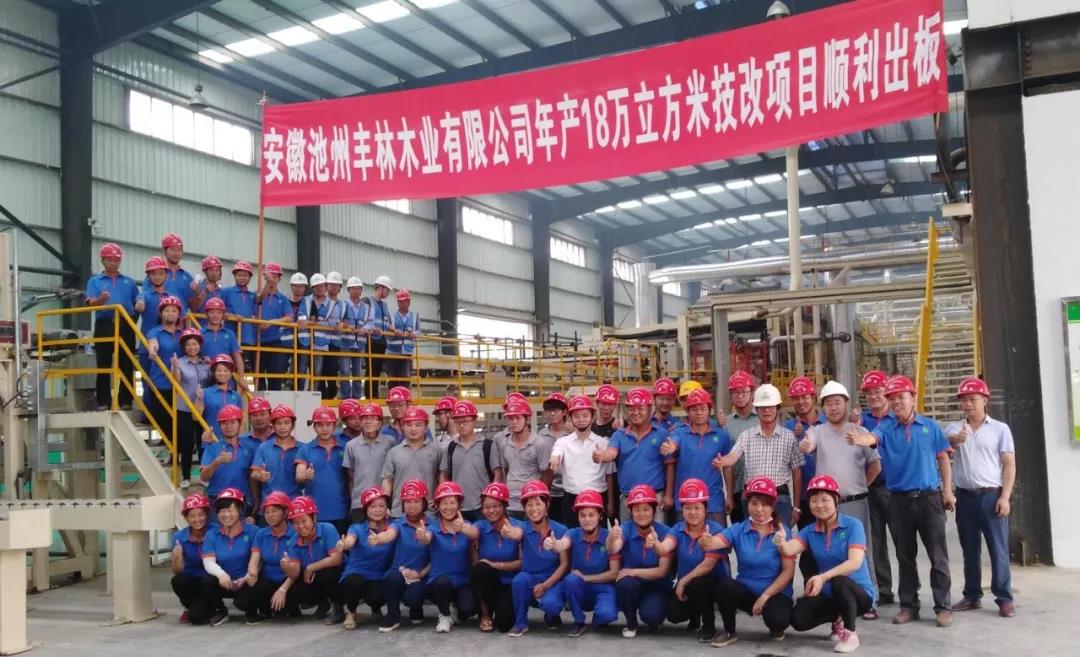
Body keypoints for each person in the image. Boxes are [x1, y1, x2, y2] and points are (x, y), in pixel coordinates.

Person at [847, 375, 955, 627]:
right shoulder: (886, 427)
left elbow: (943, 459)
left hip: (929, 499)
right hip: (900, 501)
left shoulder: (930, 427)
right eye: (892, 398)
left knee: (938, 556)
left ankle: (943, 606)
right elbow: (873, 438)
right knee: (905, 556)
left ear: (912, 397)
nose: (896, 402)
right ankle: (909, 606)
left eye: (901, 397)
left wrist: (947, 491)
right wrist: (860, 438)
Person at [800, 381, 882, 618]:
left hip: (855, 501)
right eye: (828, 403)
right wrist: (806, 445)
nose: (833, 408)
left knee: (862, 551)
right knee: (825, 550)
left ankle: (870, 599)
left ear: (846, 404)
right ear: (822, 407)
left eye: (837, 402)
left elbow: (875, 465)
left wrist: (860, 487)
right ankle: (827, 595)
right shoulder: (817, 432)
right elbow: (809, 443)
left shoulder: (860, 432)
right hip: (825, 506)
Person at [777, 475, 877, 653]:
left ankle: (850, 634)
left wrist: (822, 578)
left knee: (839, 581)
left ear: (836, 501)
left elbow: (854, 563)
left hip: (858, 594)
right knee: (799, 620)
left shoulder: (853, 525)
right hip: (829, 593)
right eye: (814, 500)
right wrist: (781, 542)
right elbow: (790, 549)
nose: (819, 505)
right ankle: (838, 618)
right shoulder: (809, 530)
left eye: (825, 499)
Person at [946, 377, 1016, 618]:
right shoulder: (953, 429)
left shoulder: (1000, 429)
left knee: (998, 548)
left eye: (972, 399)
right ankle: (972, 595)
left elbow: (1009, 464)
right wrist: (955, 441)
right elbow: (944, 449)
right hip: (964, 497)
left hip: (990, 496)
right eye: (963, 400)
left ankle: (1004, 598)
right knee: (969, 548)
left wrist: (1005, 497)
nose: (967, 404)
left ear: (985, 400)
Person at [700, 477, 795, 646]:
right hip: (747, 592)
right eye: (754, 503)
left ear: (773, 506)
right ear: (747, 504)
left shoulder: (782, 532)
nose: (759, 509)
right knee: (724, 586)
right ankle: (729, 632)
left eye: (765, 504)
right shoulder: (738, 529)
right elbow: (714, 542)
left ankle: (775, 626)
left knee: (778, 620)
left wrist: (765, 596)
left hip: (774, 593)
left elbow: (788, 572)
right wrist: (705, 541)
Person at [715, 384, 804, 527]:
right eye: (762, 407)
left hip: (780, 498)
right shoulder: (747, 435)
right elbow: (733, 456)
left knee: (781, 539)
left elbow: (797, 471)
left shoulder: (789, 437)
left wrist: (796, 506)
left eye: (771, 407)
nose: (767, 411)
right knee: (752, 538)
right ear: (757, 410)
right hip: (752, 498)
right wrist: (723, 461)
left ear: (778, 409)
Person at [654, 478, 728, 643]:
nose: (692, 512)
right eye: (688, 507)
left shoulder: (715, 530)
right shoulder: (678, 529)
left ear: (705, 509)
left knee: (701, 582)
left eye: (697, 507)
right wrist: (655, 544)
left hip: (712, 585)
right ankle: (695, 616)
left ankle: (709, 626)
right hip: (689, 585)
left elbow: (707, 566)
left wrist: (682, 582)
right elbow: (665, 547)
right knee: (674, 614)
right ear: (682, 509)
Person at [596, 387, 675, 523]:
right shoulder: (619, 435)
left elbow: (670, 465)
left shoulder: (661, 434)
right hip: (627, 497)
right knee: (627, 534)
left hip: (655, 497)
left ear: (649, 409)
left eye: (640, 409)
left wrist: (668, 495)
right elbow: (612, 452)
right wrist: (602, 456)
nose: (636, 412)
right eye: (632, 409)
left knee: (657, 534)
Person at [547, 490, 618, 637]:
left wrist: (586, 578)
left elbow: (614, 573)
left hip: (602, 586)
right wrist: (554, 545)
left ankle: (599, 617)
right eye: (582, 515)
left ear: (600, 515)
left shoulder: (608, 536)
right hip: (577, 585)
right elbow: (563, 544)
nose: (587, 519)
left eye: (591, 515)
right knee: (569, 581)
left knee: (607, 615)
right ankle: (578, 621)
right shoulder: (573, 533)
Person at [661, 388, 734, 525]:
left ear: (709, 410)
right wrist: (670, 447)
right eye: (694, 409)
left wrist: (729, 496)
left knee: (718, 537)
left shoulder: (722, 436)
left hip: (714, 502)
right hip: (685, 501)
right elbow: (674, 443)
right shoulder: (679, 433)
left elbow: (728, 467)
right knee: (684, 538)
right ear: (688, 412)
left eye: (702, 409)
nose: (699, 412)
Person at [505, 480, 569, 636]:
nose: (534, 509)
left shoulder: (561, 529)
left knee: (551, 605)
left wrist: (545, 586)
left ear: (547, 505)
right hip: (530, 580)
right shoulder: (523, 527)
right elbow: (516, 533)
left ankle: (551, 614)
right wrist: (509, 533)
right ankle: (521, 623)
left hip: (552, 581)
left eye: (538, 504)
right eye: (529, 505)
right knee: (519, 580)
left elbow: (564, 564)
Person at [608, 484, 672, 638]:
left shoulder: (665, 532)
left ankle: (653, 613)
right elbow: (614, 548)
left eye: (646, 509)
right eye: (637, 510)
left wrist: (633, 571)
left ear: (654, 510)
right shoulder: (625, 528)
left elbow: (662, 571)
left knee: (652, 617)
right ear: (631, 511)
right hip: (632, 584)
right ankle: (631, 623)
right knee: (625, 584)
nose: (641, 514)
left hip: (656, 585)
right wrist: (612, 537)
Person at [856, 369, 895, 606]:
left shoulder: (898, 418)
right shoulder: (862, 422)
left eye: (877, 391)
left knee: (903, 542)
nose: (873, 396)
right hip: (871, 487)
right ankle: (884, 589)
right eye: (868, 393)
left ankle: (910, 593)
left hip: (896, 489)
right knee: (875, 541)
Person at [85, 242, 139, 410]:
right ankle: (103, 401)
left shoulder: (129, 282)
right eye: (110, 260)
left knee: (127, 364)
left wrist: (133, 317)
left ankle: (126, 401)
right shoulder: (94, 281)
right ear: (102, 261)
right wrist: (101, 300)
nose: (114, 263)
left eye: (117, 260)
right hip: (105, 324)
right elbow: (90, 303)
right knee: (103, 363)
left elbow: (137, 302)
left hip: (125, 324)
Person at [193, 487, 258, 625]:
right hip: (224, 582)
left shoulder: (253, 532)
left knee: (244, 602)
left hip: (246, 582)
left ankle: (255, 611)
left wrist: (245, 578)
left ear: (240, 510)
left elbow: (259, 560)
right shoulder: (212, 534)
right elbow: (208, 562)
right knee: (206, 582)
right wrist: (221, 574)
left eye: (230, 510)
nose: (226, 514)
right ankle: (220, 610)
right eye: (222, 511)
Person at [548, 395, 616, 526]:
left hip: (597, 498)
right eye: (576, 416)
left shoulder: (603, 443)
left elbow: (609, 475)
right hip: (571, 499)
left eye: (585, 415)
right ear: (570, 418)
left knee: (597, 536)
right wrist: (554, 459)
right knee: (571, 535)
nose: (581, 420)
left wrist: (610, 503)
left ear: (592, 417)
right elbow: (556, 454)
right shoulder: (562, 442)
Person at [336, 487, 396, 629]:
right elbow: (350, 540)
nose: (377, 510)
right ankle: (351, 613)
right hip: (357, 572)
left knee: (377, 595)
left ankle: (376, 608)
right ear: (366, 509)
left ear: (387, 508)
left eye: (381, 506)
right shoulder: (357, 528)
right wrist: (344, 544)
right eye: (373, 506)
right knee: (354, 582)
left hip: (379, 575)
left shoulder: (392, 528)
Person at [423, 481, 479, 632]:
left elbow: (475, 533)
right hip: (438, 582)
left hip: (462, 581)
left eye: (452, 503)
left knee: (469, 609)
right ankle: (444, 615)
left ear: (459, 505)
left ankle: (455, 609)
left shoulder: (466, 524)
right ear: (438, 506)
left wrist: (463, 528)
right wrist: (422, 535)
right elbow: (426, 538)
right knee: (442, 583)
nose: (448, 507)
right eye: (444, 503)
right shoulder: (433, 527)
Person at [281, 496, 345, 624]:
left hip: (336, 575)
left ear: (314, 518)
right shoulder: (293, 542)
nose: (300, 526)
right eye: (296, 523)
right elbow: (295, 572)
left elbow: (337, 558)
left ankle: (338, 608)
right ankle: (323, 604)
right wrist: (287, 567)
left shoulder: (328, 529)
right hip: (312, 578)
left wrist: (311, 567)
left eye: (304, 521)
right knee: (296, 591)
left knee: (326, 573)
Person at [470, 481, 523, 633]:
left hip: (509, 582)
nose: (491, 510)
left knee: (504, 624)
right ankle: (485, 615)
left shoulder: (518, 526)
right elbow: (471, 532)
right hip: (488, 582)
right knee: (480, 569)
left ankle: (501, 609)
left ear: (505, 506)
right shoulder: (480, 526)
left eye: (496, 506)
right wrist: (463, 528)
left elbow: (521, 563)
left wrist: (495, 565)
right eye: (487, 507)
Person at [380, 479, 433, 631]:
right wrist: (379, 538)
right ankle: (393, 616)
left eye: (416, 501)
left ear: (424, 503)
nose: (411, 505)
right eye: (408, 501)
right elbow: (390, 534)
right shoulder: (398, 523)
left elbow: (437, 557)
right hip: (399, 572)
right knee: (390, 579)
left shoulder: (433, 525)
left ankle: (416, 608)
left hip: (421, 575)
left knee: (412, 598)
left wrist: (420, 574)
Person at [439, 400, 505, 520]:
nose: (461, 425)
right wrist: (445, 496)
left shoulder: (488, 446)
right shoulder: (450, 448)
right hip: (457, 507)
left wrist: (491, 497)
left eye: (465, 421)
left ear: (474, 421)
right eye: (458, 422)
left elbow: (498, 473)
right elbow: (444, 474)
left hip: (483, 507)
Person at [235, 491, 295, 624]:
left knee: (282, 610)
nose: (270, 515)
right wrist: (251, 574)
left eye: (274, 511)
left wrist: (282, 590)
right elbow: (254, 560)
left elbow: (297, 568)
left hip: (289, 580)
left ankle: (290, 607)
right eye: (267, 512)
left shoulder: (295, 533)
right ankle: (265, 608)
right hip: (267, 580)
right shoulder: (261, 534)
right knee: (241, 602)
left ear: (285, 512)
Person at [496, 398, 553, 520]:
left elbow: (547, 474)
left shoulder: (540, 444)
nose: (514, 422)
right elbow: (507, 470)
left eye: (518, 418)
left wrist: (539, 500)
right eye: (510, 418)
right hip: (511, 503)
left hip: (531, 502)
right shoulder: (504, 443)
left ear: (527, 419)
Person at [296, 406, 350, 534]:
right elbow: (299, 475)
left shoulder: (345, 447)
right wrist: (304, 475)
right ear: (314, 427)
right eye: (320, 425)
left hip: (341, 510)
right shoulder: (305, 449)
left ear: (334, 425)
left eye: (328, 424)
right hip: (315, 511)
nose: (324, 429)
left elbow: (352, 476)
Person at [785, 376, 827, 542]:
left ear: (813, 397)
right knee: (808, 545)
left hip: (829, 494)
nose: (800, 402)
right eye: (796, 398)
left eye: (804, 397)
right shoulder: (788, 428)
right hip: (804, 496)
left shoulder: (828, 422)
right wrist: (794, 438)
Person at [381, 406, 441, 519]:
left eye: (418, 425)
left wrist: (439, 499)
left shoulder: (437, 451)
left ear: (425, 427)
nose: (413, 429)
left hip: (429, 513)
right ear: (403, 427)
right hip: (399, 512)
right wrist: (384, 505)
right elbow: (387, 480)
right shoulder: (394, 452)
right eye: (408, 425)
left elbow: (442, 476)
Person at [140, 295, 185, 443]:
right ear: (160, 313)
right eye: (167, 310)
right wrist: (152, 350)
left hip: (181, 383)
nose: (170, 314)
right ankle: (171, 446)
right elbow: (152, 343)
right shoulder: (155, 332)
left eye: (174, 311)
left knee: (180, 421)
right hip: (160, 382)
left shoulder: (184, 334)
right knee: (161, 417)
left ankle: (174, 447)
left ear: (179, 314)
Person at [343, 402, 394, 523]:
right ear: (360, 422)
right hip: (359, 503)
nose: (368, 422)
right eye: (365, 418)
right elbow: (351, 476)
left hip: (382, 503)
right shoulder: (351, 445)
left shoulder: (390, 442)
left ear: (380, 423)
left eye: (373, 418)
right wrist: (353, 500)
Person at [172, 327, 209, 486]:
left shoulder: (205, 364)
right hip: (185, 409)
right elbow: (176, 381)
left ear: (199, 345)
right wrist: (174, 367)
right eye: (188, 345)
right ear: (183, 347)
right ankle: (186, 477)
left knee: (203, 443)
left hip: (203, 409)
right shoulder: (179, 363)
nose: (192, 347)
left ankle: (203, 476)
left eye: (195, 344)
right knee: (187, 444)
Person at [172, 493, 215, 624]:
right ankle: (189, 606)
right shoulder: (178, 537)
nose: (197, 519)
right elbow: (177, 571)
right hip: (191, 581)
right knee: (177, 580)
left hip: (211, 581)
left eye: (201, 514)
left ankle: (214, 607)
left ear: (207, 515)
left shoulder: (216, 531)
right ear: (186, 518)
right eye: (192, 516)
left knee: (197, 617)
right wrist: (177, 557)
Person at [199, 405, 256, 502]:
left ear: (239, 423)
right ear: (219, 426)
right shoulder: (211, 449)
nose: (229, 427)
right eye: (224, 423)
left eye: (232, 422)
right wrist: (217, 462)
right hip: (216, 500)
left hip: (242, 500)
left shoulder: (249, 447)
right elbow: (203, 477)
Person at [724, 371, 759, 524]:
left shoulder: (763, 418)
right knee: (739, 532)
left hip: (760, 488)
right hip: (737, 487)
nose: (740, 396)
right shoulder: (726, 423)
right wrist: (729, 495)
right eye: (735, 392)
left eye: (744, 392)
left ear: (752, 393)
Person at [254, 263, 292, 391]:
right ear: (265, 277)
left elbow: (289, 317)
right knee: (258, 375)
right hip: (257, 340)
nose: (272, 280)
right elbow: (258, 300)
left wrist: (271, 322)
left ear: (279, 279)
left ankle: (275, 401)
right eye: (269, 277)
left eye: (275, 277)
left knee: (275, 375)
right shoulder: (257, 295)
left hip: (275, 340)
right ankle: (258, 401)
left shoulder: (283, 299)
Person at [251, 404, 302, 499]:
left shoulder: (302, 448)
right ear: (273, 425)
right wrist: (260, 475)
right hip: (269, 503)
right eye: (279, 423)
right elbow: (254, 474)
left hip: (294, 503)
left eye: (286, 423)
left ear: (293, 425)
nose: (283, 427)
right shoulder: (263, 448)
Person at [538, 392, 572, 523]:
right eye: (548, 411)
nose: (551, 414)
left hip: (569, 490)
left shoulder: (572, 434)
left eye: (556, 410)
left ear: (565, 412)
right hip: (550, 492)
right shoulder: (541, 436)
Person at [295, 273, 329, 391]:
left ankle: (313, 395)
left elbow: (332, 323)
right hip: (305, 340)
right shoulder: (306, 301)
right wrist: (316, 322)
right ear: (312, 288)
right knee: (302, 369)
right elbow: (301, 321)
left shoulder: (331, 304)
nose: (320, 288)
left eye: (322, 286)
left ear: (326, 287)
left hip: (320, 343)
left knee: (317, 372)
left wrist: (311, 322)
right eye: (317, 286)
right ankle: (300, 394)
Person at [197, 354, 244, 440]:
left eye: (226, 371)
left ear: (231, 373)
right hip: (210, 441)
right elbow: (195, 417)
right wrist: (199, 399)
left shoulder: (236, 396)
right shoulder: (205, 392)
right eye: (219, 370)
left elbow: (240, 422)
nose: (222, 373)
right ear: (214, 373)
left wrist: (240, 441)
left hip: (232, 443)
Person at [221, 261, 257, 372]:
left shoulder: (253, 296)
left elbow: (256, 312)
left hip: (248, 337)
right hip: (231, 335)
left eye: (245, 275)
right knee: (229, 366)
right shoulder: (226, 292)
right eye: (239, 275)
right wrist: (232, 316)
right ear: (235, 276)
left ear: (250, 277)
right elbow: (220, 310)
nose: (242, 278)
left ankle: (244, 384)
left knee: (245, 368)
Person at [317, 271, 347, 400]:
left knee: (332, 371)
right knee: (319, 371)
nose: (334, 287)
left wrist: (343, 324)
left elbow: (347, 320)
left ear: (340, 288)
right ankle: (322, 397)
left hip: (335, 343)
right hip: (320, 342)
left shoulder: (343, 305)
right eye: (331, 284)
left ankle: (331, 395)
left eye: (337, 285)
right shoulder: (319, 302)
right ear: (326, 286)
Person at [365, 275, 395, 399]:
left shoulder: (385, 306)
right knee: (371, 370)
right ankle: (369, 396)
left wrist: (395, 330)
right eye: (387, 290)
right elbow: (362, 320)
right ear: (381, 288)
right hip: (370, 341)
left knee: (377, 371)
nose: (388, 293)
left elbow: (387, 323)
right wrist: (372, 329)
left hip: (382, 342)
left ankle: (374, 395)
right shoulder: (367, 301)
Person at [339, 277, 370, 400]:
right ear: (349, 290)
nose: (356, 291)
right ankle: (345, 397)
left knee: (357, 372)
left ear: (361, 290)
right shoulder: (343, 305)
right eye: (353, 288)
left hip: (360, 343)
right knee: (345, 370)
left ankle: (357, 397)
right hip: (345, 342)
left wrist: (365, 329)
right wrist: (347, 326)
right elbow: (338, 321)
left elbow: (370, 322)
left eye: (358, 288)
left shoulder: (366, 307)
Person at [150, 232, 196, 308]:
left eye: (179, 250)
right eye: (173, 250)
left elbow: (193, 308)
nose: (176, 253)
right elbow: (145, 298)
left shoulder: (187, 277)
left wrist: (198, 293)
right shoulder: (155, 273)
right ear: (164, 251)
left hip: (182, 315)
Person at [139, 256, 183, 334]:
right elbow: (139, 305)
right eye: (153, 274)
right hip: (146, 339)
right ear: (148, 276)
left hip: (168, 339)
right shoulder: (144, 296)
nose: (157, 277)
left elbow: (183, 317)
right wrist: (139, 306)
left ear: (166, 276)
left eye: (161, 274)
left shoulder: (173, 298)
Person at [198, 298, 243, 376]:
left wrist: (241, 378)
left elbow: (237, 357)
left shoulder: (230, 334)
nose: (215, 316)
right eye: (212, 312)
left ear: (223, 315)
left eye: (219, 313)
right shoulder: (199, 333)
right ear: (206, 314)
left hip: (224, 376)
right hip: (204, 375)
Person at [385, 288, 420, 387]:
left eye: (406, 301)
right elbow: (386, 327)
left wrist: (414, 334)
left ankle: (404, 395)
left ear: (409, 302)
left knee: (406, 378)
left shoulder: (415, 316)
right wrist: (394, 331)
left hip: (407, 352)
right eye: (401, 301)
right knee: (393, 378)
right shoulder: (392, 316)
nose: (404, 303)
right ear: (398, 302)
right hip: (393, 352)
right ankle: (393, 395)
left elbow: (419, 330)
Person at [280, 272, 308, 384]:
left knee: (301, 369)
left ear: (305, 288)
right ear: (291, 286)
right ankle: (281, 387)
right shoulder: (284, 301)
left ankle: (299, 390)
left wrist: (307, 322)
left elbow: (315, 319)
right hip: (286, 340)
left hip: (303, 341)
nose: (298, 288)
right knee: (281, 367)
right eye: (296, 285)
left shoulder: (309, 303)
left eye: (301, 286)